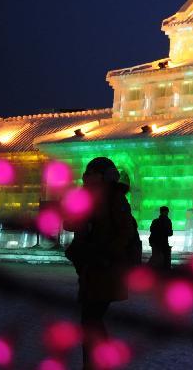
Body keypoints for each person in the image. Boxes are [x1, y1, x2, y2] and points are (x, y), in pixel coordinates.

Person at [64, 157, 140, 370]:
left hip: (106, 267)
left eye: (93, 174)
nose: (88, 177)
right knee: (90, 320)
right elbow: (69, 222)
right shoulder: (85, 196)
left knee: (90, 319)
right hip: (89, 266)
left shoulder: (114, 198)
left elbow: (126, 231)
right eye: (88, 174)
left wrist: (109, 254)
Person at [149, 206, 173, 270]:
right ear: (166, 212)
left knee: (155, 258)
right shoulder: (168, 221)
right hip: (163, 243)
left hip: (155, 242)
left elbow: (151, 230)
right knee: (165, 260)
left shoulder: (155, 221)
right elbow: (170, 233)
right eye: (167, 212)